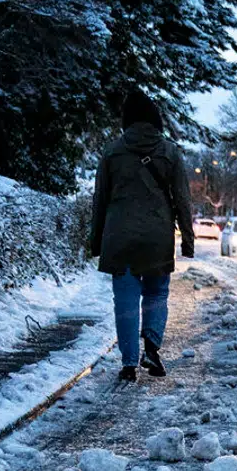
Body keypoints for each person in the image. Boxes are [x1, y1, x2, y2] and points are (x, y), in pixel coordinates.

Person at [89, 89, 194, 384]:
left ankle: (128, 363)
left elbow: (100, 199)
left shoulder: (112, 152)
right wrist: (187, 238)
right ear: (155, 120)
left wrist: (96, 240)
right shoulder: (170, 152)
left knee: (125, 299)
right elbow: (183, 199)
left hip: (119, 238)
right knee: (156, 294)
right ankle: (152, 348)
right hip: (158, 238)